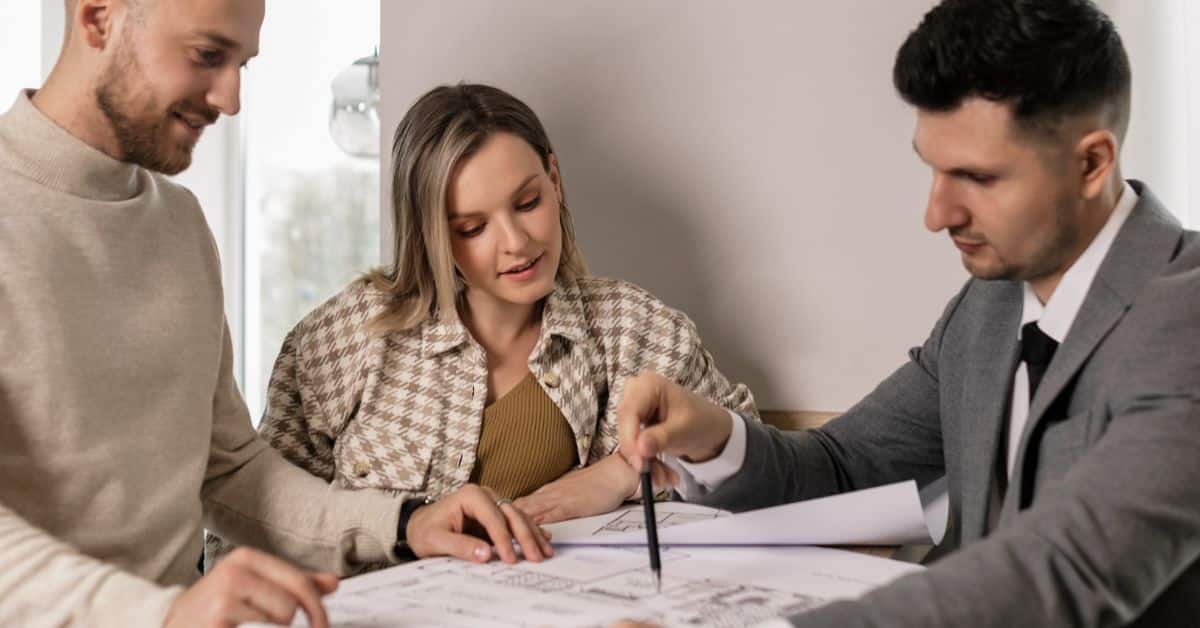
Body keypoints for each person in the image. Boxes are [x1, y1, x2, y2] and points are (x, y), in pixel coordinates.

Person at [616, 0, 1200, 626]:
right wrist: (715, 438)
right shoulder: (993, 301)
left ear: (1091, 164)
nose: (937, 214)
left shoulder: (1186, 312)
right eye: (934, 169)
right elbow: (845, 466)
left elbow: (1066, 569)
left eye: (977, 177)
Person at [0, 2, 551, 627]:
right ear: (98, 17)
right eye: (208, 56)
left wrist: (403, 523)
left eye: (242, 63)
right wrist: (161, 614)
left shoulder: (178, 224)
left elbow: (231, 468)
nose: (230, 98)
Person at [207, 82, 758, 566]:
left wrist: (618, 473)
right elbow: (246, 534)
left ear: (555, 178)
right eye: (472, 228)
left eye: (526, 202)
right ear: (429, 235)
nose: (516, 244)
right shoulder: (341, 341)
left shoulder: (633, 328)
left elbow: (755, 464)